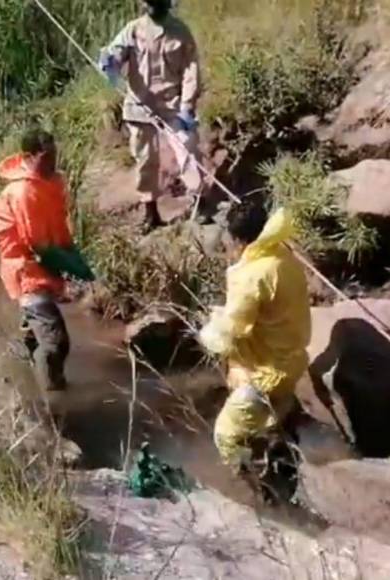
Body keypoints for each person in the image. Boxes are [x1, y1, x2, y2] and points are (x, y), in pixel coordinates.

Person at [199, 203, 311, 471]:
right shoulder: (283, 256)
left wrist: (207, 330)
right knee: (270, 424)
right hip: (292, 362)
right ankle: (282, 462)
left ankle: (250, 484)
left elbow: (231, 332)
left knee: (226, 435)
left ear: (237, 239)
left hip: (265, 374)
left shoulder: (251, 276)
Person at [100, 0, 211, 233]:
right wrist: (109, 62)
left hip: (172, 107)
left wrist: (186, 108)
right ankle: (150, 212)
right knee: (145, 160)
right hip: (140, 107)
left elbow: (191, 73)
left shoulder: (181, 32)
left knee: (187, 149)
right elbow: (114, 56)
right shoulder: (133, 30)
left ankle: (200, 204)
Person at [0, 129, 74, 392]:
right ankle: (53, 396)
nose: (53, 162)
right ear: (29, 157)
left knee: (37, 332)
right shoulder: (22, 192)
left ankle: (23, 372)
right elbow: (34, 240)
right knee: (55, 343)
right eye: (47, 157)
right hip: (26, 270)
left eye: (55, 156)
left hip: (39, 266)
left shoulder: (48, 183)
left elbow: (58, 226)